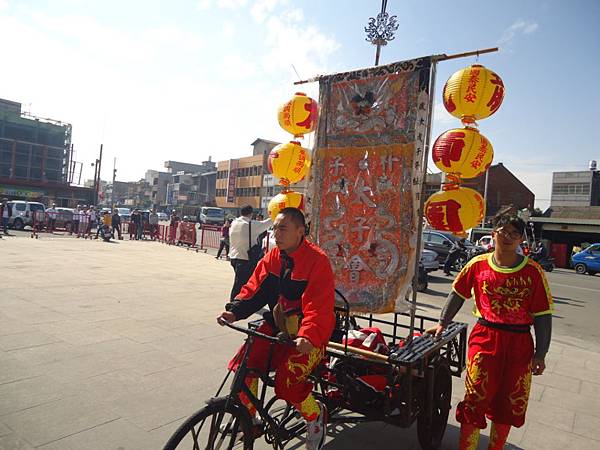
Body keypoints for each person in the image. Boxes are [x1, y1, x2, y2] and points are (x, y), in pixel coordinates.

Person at [428, 215, 553, 450]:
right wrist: (443, 322)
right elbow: (457, 293)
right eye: (503, 231)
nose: (507, 237)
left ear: (521, 239)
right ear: (493, 233)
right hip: (485, 337)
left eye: (514, 234)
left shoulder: (534, 272)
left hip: (519, 344)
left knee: (509, 401)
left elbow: (543, 315)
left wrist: (541, 354)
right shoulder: (477, 265)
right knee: (475, 397)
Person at [217, 207, 335, 450]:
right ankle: (250, 419)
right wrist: (235, 310)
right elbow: (255, 288)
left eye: (283, 228)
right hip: (279, 325)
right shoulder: (273, 257)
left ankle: (315, 418)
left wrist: (308, 335)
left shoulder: (317, 260)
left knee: (287, 383)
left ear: (301, 232)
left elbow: (318, 305)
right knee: (245, 365)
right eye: (275, 228)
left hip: (310, 335)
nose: (276, 234)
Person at [228, 205, 272, 301]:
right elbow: (267, 223)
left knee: (242, 281)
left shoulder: (234, 223)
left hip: (234, 257)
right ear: (251, 214)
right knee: (240, 283)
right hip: (245, 259)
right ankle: (233, 304)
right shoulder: (250, 225)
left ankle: (243, 300)